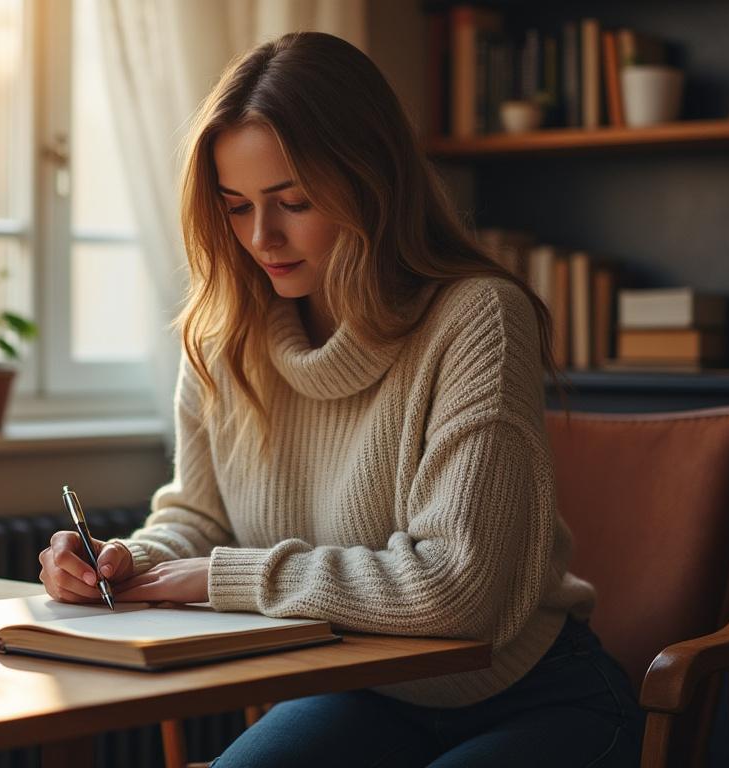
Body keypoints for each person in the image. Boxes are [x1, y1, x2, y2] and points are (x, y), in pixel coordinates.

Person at [38, 32, 642, 767]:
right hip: (360, 691)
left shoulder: (478, 317)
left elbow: (455, 590)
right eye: (235, 207)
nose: (262, 237)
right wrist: (127, 562)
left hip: (537, 696)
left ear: (371, 183)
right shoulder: (225, 335)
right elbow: (199, 518)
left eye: (293, 201)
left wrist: (221, 576)